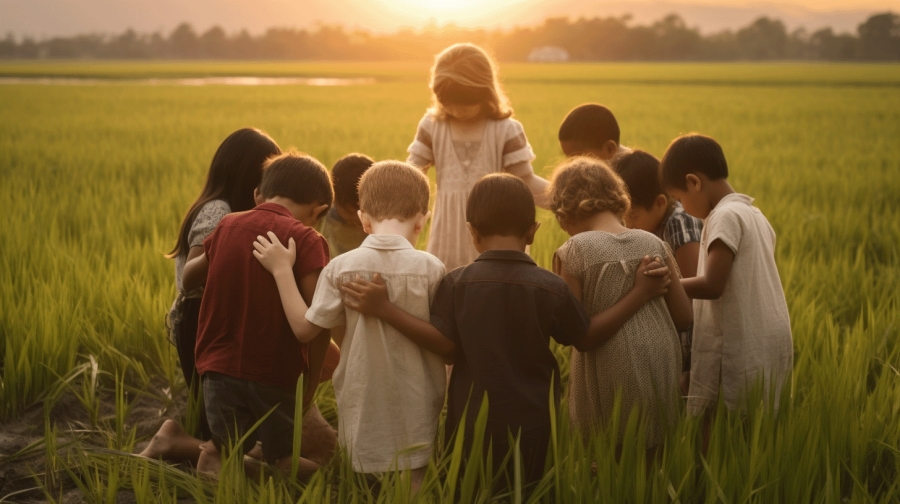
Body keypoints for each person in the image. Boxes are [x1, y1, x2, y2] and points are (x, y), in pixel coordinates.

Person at [340, 174, 670, 487]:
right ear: (533, 231)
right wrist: (639, 293)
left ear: (472, 232)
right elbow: (585, 338)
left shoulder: (456, 284)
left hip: (471, 427)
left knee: (472, 491)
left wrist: (385, 309)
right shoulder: (550, 287)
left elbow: (447, 348)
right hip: (537, 426)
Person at [251, 161, 445, 494]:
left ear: (363, 219)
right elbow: (445, 338)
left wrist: (283, 270)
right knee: (415, 476)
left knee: (362, 481)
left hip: (362, 395)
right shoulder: (432, 269)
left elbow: (304, 330)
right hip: (418, 396)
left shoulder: (341, 268)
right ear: (422, 220)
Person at [181, 152, 336, 477]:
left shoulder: (227, 225)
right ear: (318, 211)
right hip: (274, 375)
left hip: (217, 369)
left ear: (257, 194)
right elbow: (318, 321)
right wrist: (310, 383)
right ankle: (328, 482)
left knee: (224, 450)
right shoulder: (308, 239)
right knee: (281, 458)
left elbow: (189, 278)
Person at [549, 157, 693, 459]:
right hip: (660, 364)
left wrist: (639, 294)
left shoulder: (575, 250)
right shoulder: (651, 242)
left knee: (607, 459)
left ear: (563, 213)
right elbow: (684, 316)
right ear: (618, 199)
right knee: (653, 459)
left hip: (610, 370)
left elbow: (578, 335)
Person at [659, 134, 793, 419]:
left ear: (694, 182)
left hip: (738, 340)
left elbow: (713, 284)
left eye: (680, 199)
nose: (682, 207)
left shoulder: (725, 216)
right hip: (765, 336)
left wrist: (665, 284)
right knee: (756, 425)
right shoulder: (754, 214)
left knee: (718, 424)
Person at [165, 127, 281, 440]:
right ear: (248, 175)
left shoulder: (233, 211)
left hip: (209, 314)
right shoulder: (220, 211)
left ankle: (183, 441)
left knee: (220, 411)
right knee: (214, 414)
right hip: (200, 315)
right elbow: (193, 276)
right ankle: (174, 441)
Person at [407, 43, 550, 271]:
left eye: (463, 103)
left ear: (485, 92)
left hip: (498, 243)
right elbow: (411, 177)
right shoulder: (432, 127)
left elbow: (526, 181)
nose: (455, 109)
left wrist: (569, 203)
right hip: (446, 241)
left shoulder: (506, 130)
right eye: (447, 102)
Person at [612, 149, 703, 392]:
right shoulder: (652, 225)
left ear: (660, 203)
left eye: (633, 216)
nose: (628, 225)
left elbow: (691, 288)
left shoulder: (679, 223)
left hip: (692, 337)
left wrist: (650, 287)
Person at [318, 153, 374, 258]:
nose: (356, 219)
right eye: (351, 212)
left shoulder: (379, 225)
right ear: (333, 199)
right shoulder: (322, 219)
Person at [558, 103, 630, 160]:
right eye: (569, 160)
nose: (572, 167)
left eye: (580, 161)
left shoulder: (635, 175)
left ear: (609, 149)